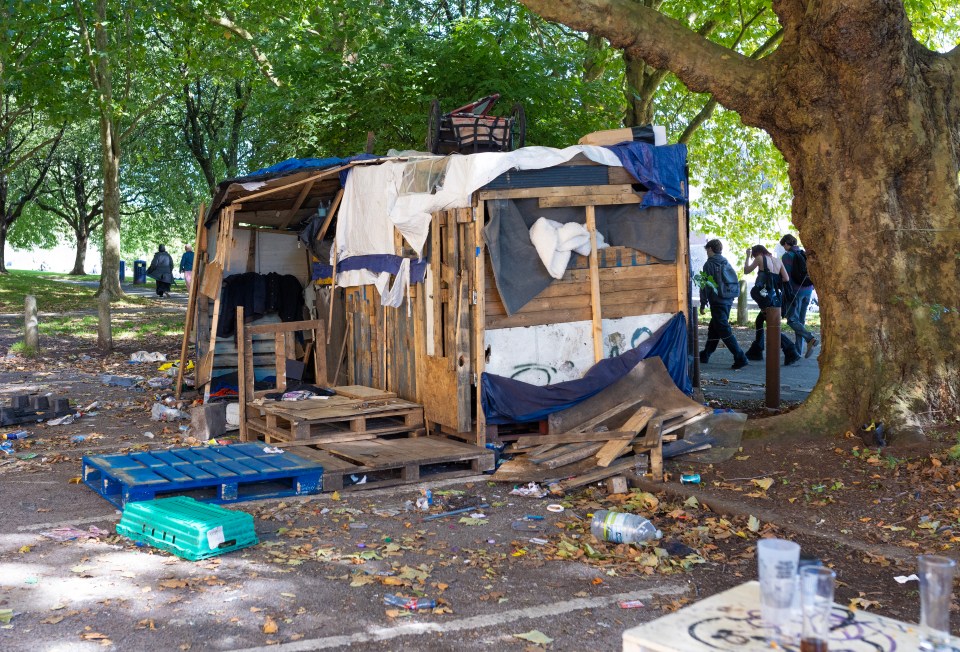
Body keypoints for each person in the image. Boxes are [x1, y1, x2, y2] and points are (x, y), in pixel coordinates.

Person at [743, 244, 801, 365]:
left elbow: (746, 271)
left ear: (757, 253)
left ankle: (790, 349)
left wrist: (747, 257)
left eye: (753, 255)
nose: (754, 257)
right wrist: (774, 278)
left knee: (772, 326)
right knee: (759, 321)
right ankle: (757, 349)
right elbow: (785, 278)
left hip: (765, 298)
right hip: (775, 297)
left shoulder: (760, 258)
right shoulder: (778, 261)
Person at [698, 239, 749, 369]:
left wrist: (703, 303)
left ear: (710, 249)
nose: (707, 252)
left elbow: (704, 285)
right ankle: (706, 354)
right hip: (727, 300)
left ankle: (740, 357)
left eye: (707, 250)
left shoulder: (709, 264)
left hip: (717, 301)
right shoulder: (726, 262)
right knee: (714, 328)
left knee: (724, 329)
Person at [779, 234, 818, 358]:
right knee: (800, 321)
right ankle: (798, 351)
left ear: (786, 244)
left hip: (795, 292)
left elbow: (786, 277)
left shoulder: (787, 256)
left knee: (792, 320)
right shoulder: (803, 254)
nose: (784, 248)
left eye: (783, 245)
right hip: (808, 291)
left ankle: (810, 338)